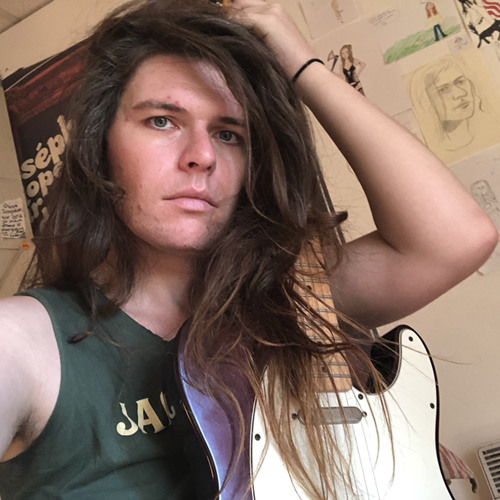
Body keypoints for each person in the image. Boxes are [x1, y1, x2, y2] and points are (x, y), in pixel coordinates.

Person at [0, 0, 497, 498]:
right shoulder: (23, 341)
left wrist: (303, 65)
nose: (202, 156)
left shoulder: (296, 303)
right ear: (99, 147)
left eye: (228, 134)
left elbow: (457, 239)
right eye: (162, 121)